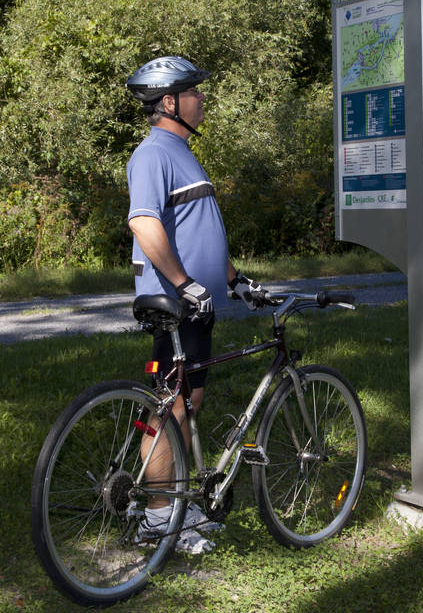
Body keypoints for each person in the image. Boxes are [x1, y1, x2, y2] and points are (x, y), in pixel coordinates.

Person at [124, 55, 266, 555]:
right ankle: (160, 520)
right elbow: (144, 224)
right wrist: (184, 283)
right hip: (175, 303)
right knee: (170, 408)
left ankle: (171, 507)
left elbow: (197, 230)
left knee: (187, 403)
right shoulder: (153, 154)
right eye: (194, 92)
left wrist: (233, 280)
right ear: (170, 102)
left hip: (197, 304)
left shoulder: (182, 151)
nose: (202, 99)